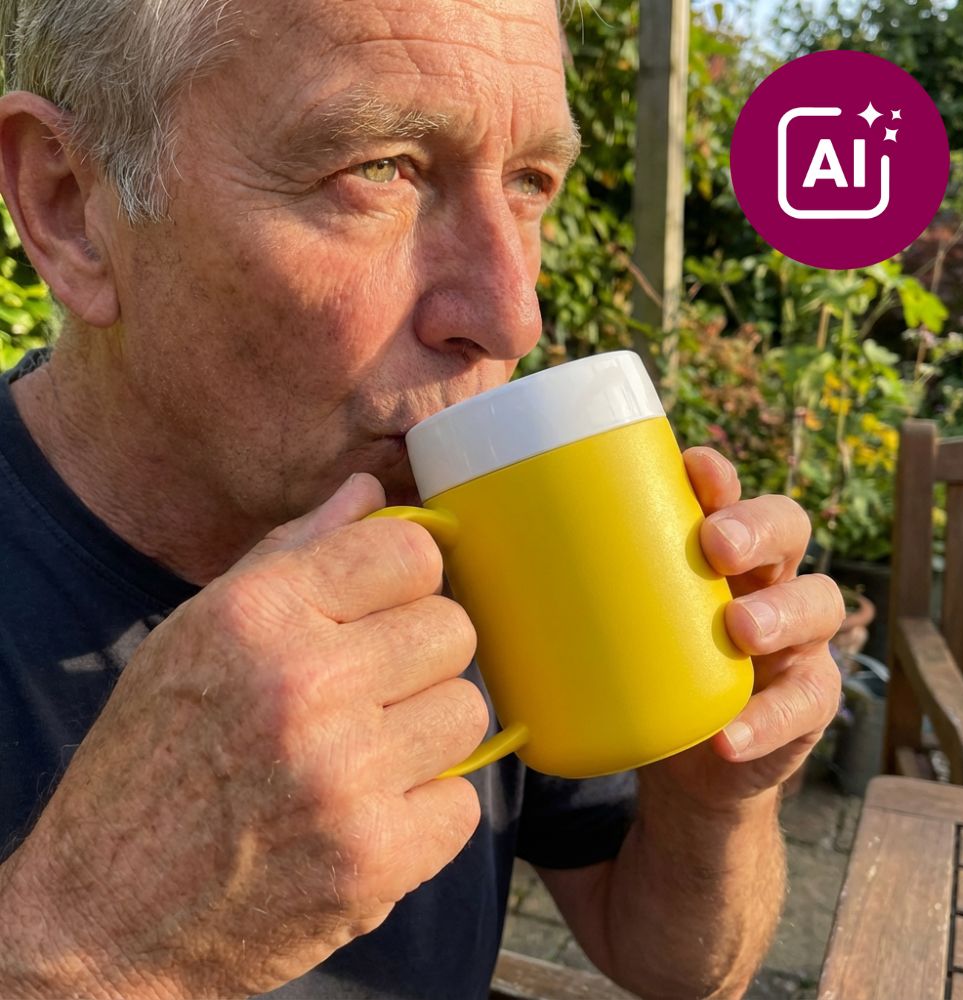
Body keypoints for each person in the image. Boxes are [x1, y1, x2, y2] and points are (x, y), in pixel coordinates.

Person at [0, 0, 844, 997]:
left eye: (531, 181)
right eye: (380, 168)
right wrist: (76, 948)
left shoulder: (499, 548)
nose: (509, 312)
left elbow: (676, 965)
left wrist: (717, 799)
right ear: (69, 204)